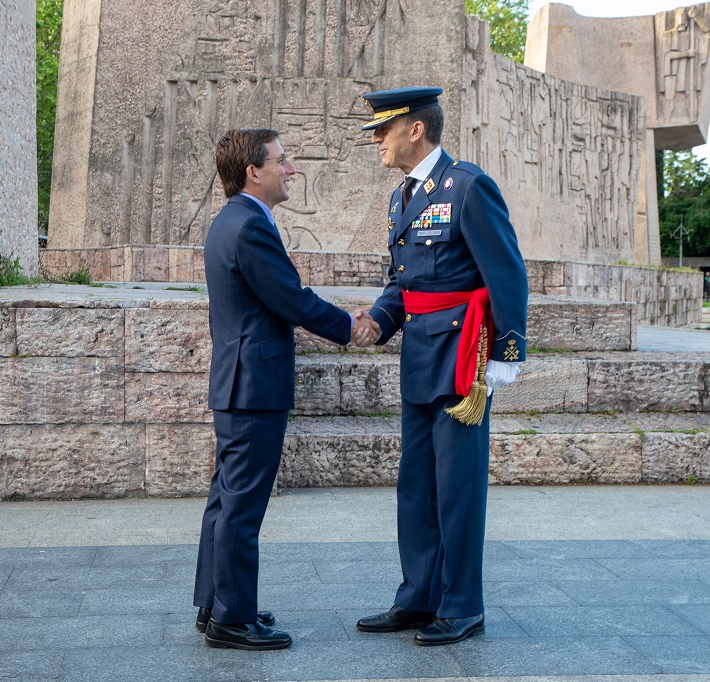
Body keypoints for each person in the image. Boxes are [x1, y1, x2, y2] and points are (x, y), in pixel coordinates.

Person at [353, 87, 528, 646]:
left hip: (464, 359)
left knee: (457, 487)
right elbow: (402, 284)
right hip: (421, 354)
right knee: (417, 486)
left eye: (383, 129)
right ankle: (419, 598)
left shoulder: (468, 186)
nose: (376, 139)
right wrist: (380, 320)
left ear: (416, 130)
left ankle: (462, 604)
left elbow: (508, 273)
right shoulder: (401, 198)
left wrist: (506, 353)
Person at [193, 128, 380, 650]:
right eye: (282, 160)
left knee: (227, 499)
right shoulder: (249, 226)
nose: (291, 168)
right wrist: (351, 327)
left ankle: (216, 604)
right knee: (242, 506)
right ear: (254, 171)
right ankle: (232, 618)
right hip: (253, 384)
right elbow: (291, 299)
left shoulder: (233, 220)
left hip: (239, 381)